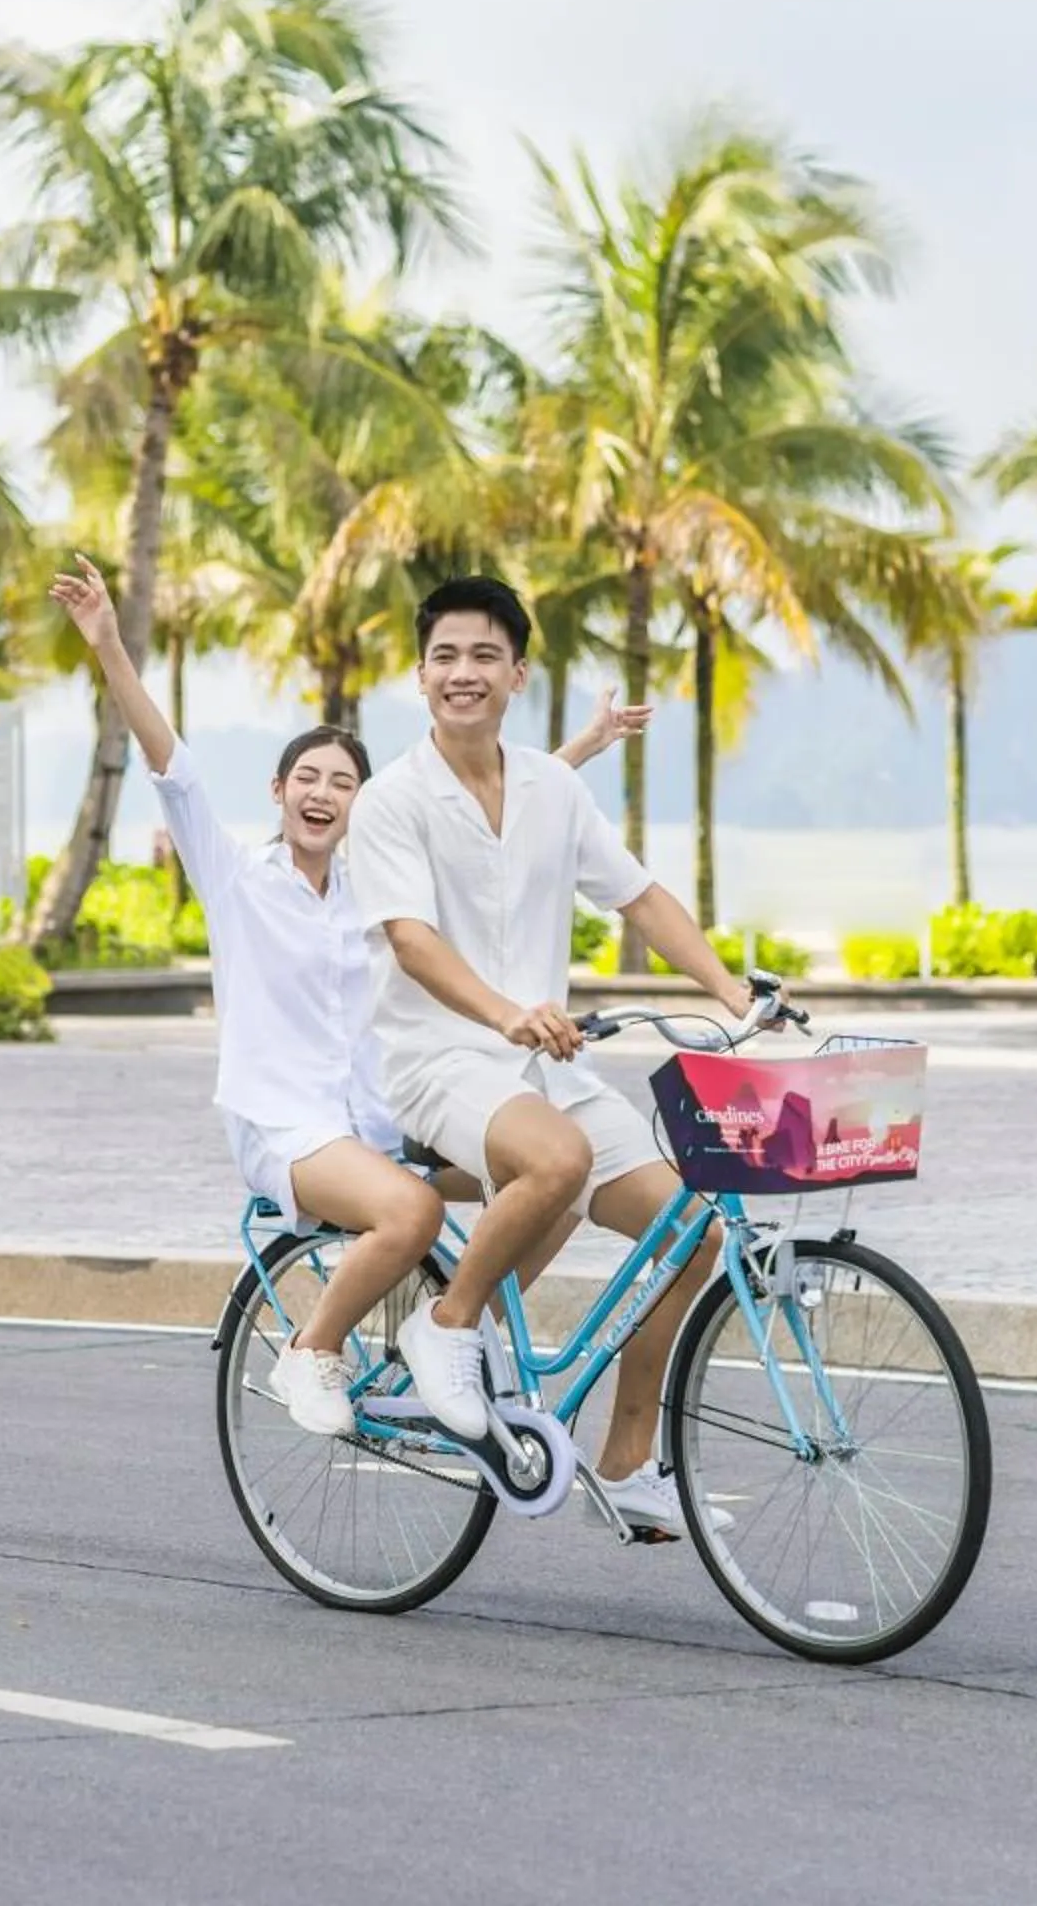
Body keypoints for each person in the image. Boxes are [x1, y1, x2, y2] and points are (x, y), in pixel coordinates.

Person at [50, 557, 645, 1439]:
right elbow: (172, 767)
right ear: (279, 792)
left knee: (550, 1175)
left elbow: (495, 823)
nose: (323, 794)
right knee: (416, 1209)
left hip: (373, 1123)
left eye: (343, 784)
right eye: (309, 779)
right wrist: (109, 649)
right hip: (284, 1125)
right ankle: (311, 1347)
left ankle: (453, 1331)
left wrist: (583, 748)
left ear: (365, 806)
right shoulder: (236, 878)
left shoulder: (379, 886)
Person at [346, 574, 764, 1539]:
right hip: (438, 1061)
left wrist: (733, 993)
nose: (464, 673)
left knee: (691, 1233)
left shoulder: (552, 788)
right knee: (558, 1162)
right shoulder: (392, 800)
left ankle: (624, 1463)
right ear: (420, 675)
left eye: (484, 656)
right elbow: (411, 940)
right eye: (446, 656)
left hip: (545, 1068)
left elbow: (640, 898)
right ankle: (446, 1325)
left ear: (517, 675)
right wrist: (504, 1014)